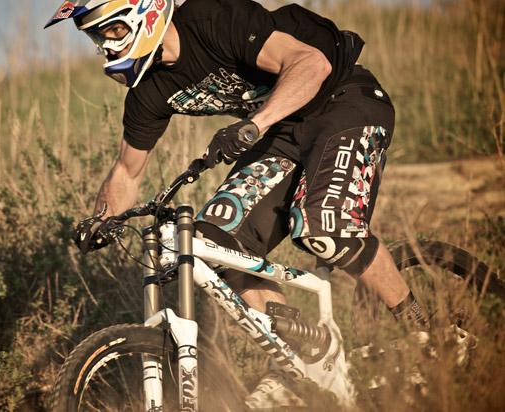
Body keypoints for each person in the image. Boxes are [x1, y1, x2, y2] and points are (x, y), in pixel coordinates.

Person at [45, 0, 430, 408]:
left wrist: (254, 124)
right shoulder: (148, 91)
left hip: (344, 100)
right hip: (281, 129)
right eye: (96, 37)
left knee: (324, 229)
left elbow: (312, 64)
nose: (105, 46)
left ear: (146, 12)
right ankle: (301, 360)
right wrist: (102, 220)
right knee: (214, 246)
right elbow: (127, 171)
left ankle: (426, 332)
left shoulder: (213, 19)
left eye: (112, 30)